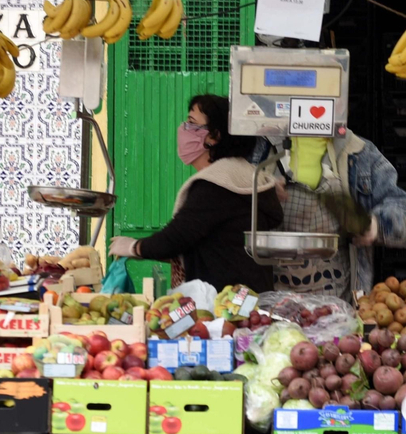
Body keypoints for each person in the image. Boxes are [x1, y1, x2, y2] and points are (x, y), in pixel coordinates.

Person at [109, 95, 283, 292]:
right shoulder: (241, 175)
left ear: (214, 136)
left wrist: (134, 247)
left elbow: (175, 239)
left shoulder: (216, 185)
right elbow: (205, 243)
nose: (183, 129)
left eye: (192, 123)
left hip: (227, 307)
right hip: (244, 298)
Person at [248, 132, 406, 298]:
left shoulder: (360, 152)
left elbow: (402, 208)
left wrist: (375, 225)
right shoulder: (258, 147)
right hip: (269, 296)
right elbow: (225, 192)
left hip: (337, 297)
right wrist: (254, 189)